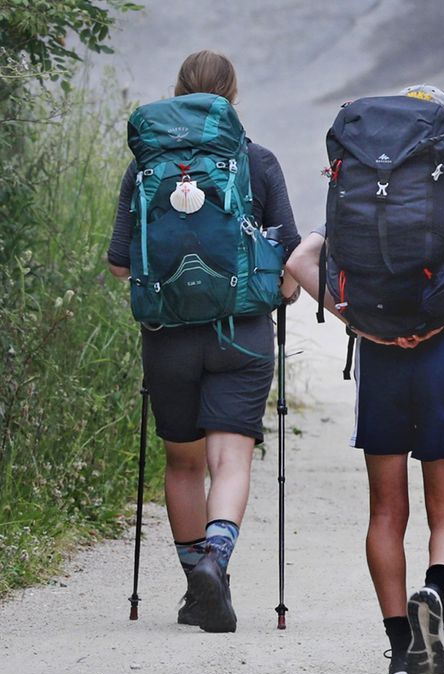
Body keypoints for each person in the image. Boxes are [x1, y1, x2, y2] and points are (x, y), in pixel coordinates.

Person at [285, 84, 444, 674]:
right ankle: (433, 592)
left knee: (386, 511)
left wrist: (356, 321)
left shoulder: (357, 185)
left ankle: (396, 653)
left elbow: (300, 260)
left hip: (381, 359)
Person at [106, 50, 301, 633]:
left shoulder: (145, 167)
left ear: (178, 91)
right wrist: (283, 292)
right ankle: (216, 560)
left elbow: (120, 265)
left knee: (184, 461)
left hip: (167, 335)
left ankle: (198, 584)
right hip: (241, 333)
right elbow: (289, 256)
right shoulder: (255, 160)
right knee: (230, 458)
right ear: (230, 97)